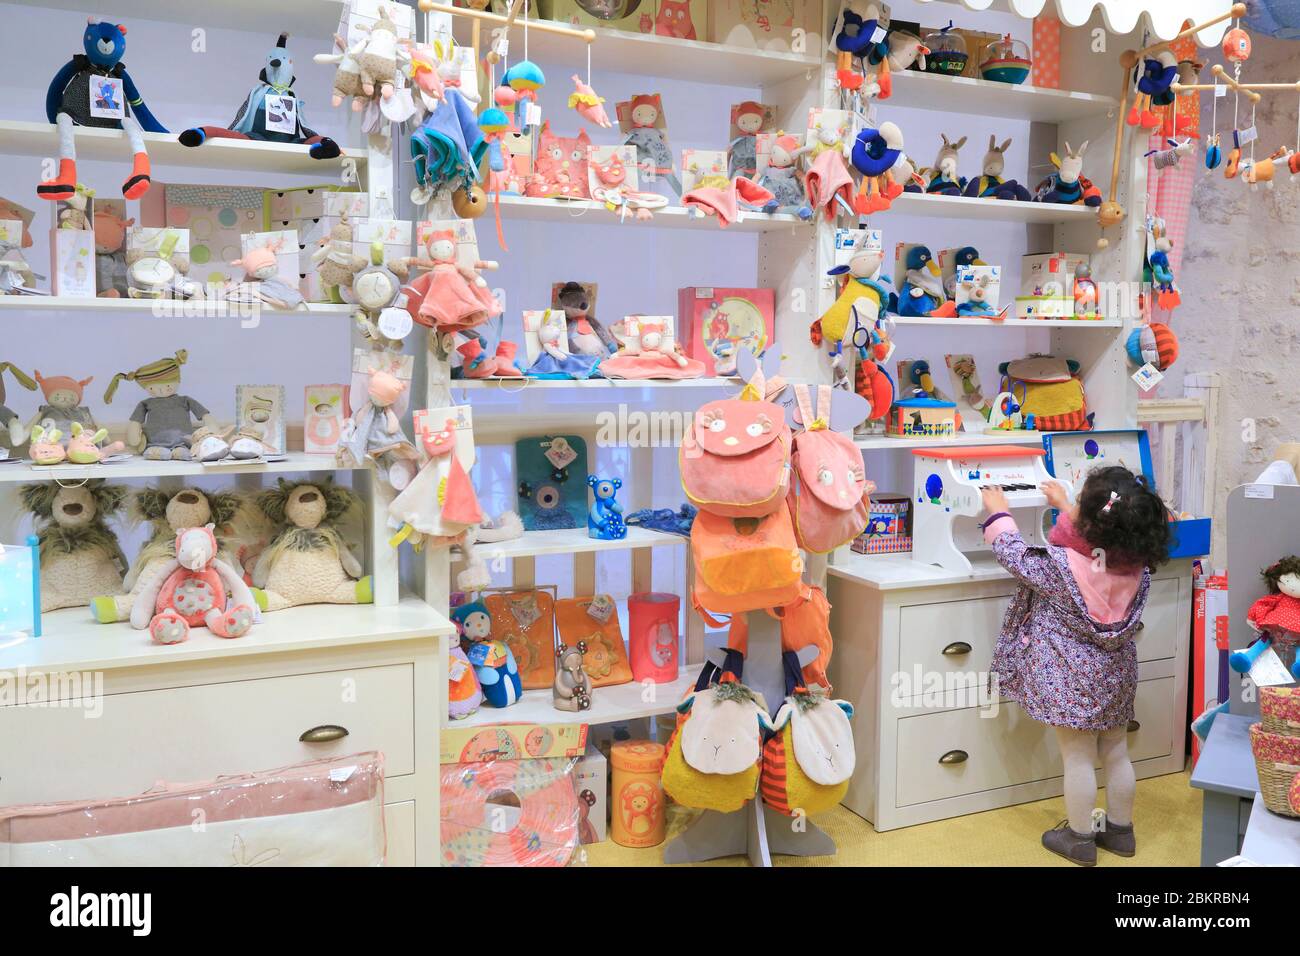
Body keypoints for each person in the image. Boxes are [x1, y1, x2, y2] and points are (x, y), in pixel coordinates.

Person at [980, 465, 1171, 865]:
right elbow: (1096, 544)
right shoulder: (1136, 565)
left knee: (1078, 757)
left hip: (1070, 677)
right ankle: (1120, 832)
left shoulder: (1060, 566)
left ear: (1090, 521)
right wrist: (1066, 506)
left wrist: (998, 513)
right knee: (1116, 752)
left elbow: (1014, 554)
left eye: (1080, 501)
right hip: (1116, 675)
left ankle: (1079, 838)